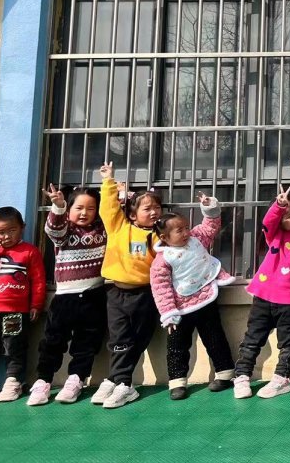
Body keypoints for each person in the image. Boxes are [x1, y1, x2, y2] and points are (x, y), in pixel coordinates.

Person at [27, 184, 107, 406]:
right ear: (70, 209)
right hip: (65, 297)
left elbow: (115, 213)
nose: (84, 213)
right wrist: (58, 206)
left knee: (87, 342)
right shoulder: (65, 232)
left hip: (93, 295)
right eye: (78, 208)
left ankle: (76, 379)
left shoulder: (101, 229)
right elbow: (54, 229)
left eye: (91, 208)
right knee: (53, 341)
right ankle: (43, 381)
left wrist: (117, 192)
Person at [233, 186, 290, 400]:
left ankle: (282, 379)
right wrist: (279, 205)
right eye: (288, 216)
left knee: (288, 342)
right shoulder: (275, 235)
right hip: (263, 296)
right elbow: (268, 222)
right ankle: (242, 376)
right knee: (252, 339)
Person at [150, 195, 236, 400]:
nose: (186, 233)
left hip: (206, 297)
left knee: (215, 338)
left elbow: (210, 227)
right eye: (179, 230)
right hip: (181, 307)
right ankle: (177, 382)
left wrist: (209, 208)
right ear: (164, 237)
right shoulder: (162, 260)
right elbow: (161, 288)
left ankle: (225, 373)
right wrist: (169, 313)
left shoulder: (196, 239)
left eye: (186, 227)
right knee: (177, 346)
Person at [93, 162, 162, 408]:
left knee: (139, 338)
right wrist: (108, 182)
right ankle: (120, 381)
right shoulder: (119, 227)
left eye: (157, 208)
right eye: (147, 208)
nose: (153, 212)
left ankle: (118, 380)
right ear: (132, 214)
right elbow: (108, 208)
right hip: (116, 292)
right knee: (119, 338)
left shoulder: (159, 237)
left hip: (145, 295)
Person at [0, 206, 46, 402]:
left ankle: (13, 381)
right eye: (0, 232)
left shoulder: (29, 251)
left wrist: (36, 304)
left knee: (14, 346)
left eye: (12, 230)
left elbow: (39, 280)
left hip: (15, 311)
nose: (6, 236)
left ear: (23, 227)